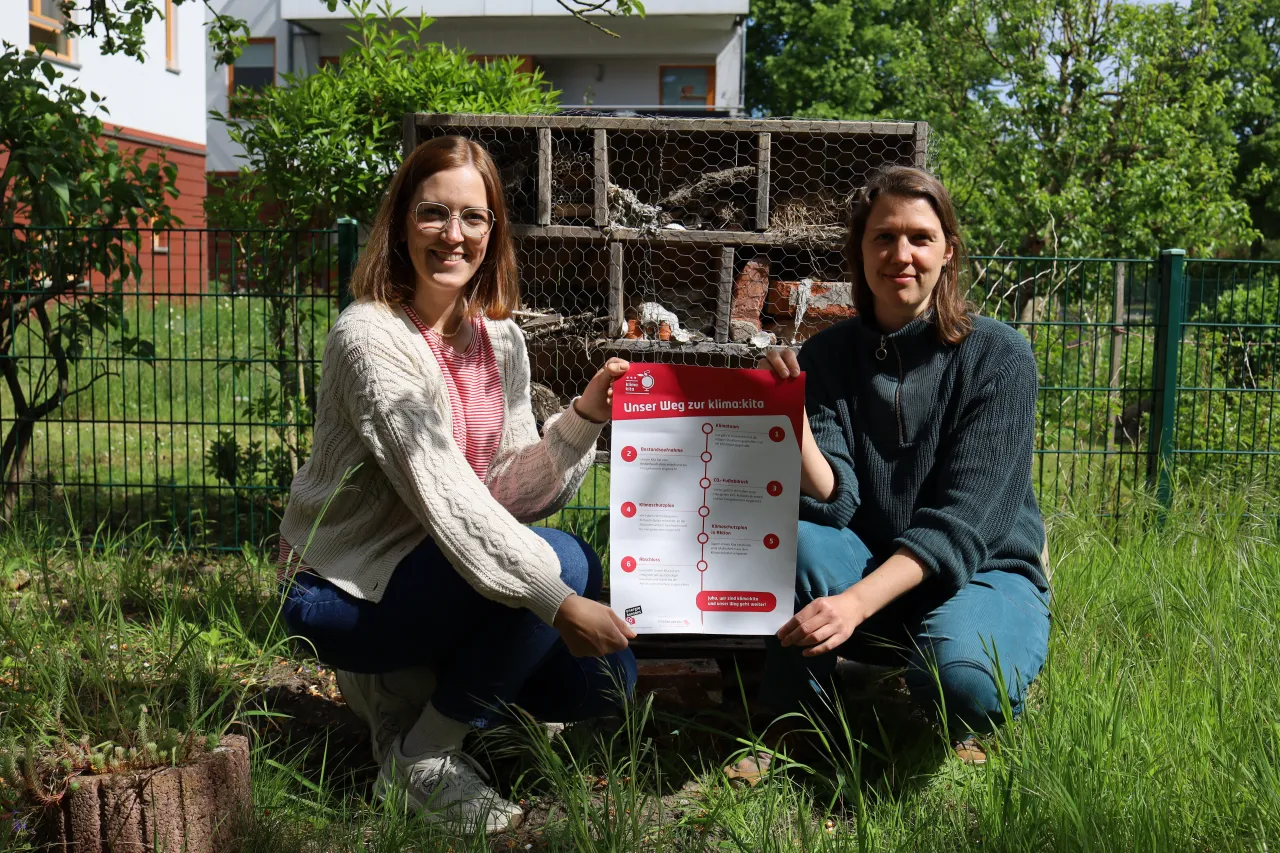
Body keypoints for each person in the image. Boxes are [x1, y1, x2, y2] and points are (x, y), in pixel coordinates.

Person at [276, 135, 637, 832]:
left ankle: (445, 693)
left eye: (474, 217)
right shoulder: (368, 337)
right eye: (433, 213)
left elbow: (507, 487)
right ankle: (420, 758)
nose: (454, 234)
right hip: (346, 590)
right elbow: (449, 495)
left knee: (604, 682)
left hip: (442, 571)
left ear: (494, 230)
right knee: (559, 566)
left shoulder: (500, 340)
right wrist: (557, 603)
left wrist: (584, 417)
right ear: (400, 223)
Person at [757, 165, 1051, 762]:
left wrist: (855, 604)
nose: (902, 254)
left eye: (920, 237)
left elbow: (964, 523)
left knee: (964, 682)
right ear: (859, 252)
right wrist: (792, 424)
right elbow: (834, 498)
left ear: (948, 251)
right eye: (883, 237)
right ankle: (796, 724)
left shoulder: (999, 356)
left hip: (982, 568)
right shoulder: (827, 355)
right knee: (789, 542)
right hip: (867, 562)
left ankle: (967, 685)